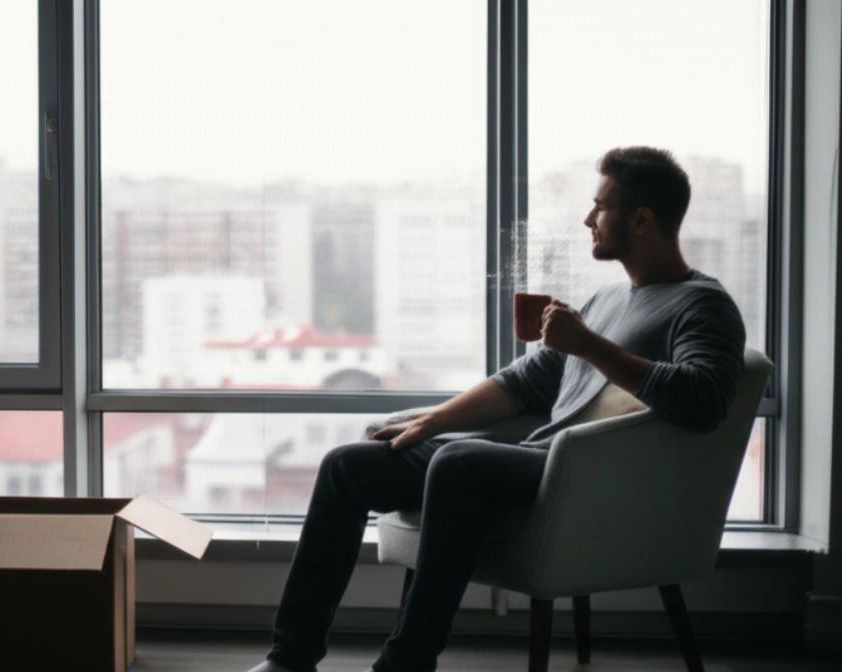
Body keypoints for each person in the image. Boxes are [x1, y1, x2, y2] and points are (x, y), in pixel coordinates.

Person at [245, 146, 747, 672]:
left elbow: (703, 401)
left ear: (642, 220)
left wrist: (588, 344)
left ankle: (406, 664)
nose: (587, 219)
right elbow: (524, 383)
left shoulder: (703, 305)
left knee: (460, 463)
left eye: (600, 207)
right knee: (346, 466)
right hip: (539, 457)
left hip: (588, 476)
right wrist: (431, 420)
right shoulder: (606, 301)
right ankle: (289, 658)